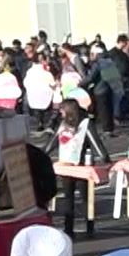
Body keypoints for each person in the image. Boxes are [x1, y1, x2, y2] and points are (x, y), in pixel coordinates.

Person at [49, 99, 112, 240]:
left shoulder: (82, 124)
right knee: (80, 197)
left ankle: (74, 228)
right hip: (72, 166)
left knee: (75, 197)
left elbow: (51, 145)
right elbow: (98, 146)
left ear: (68, 111)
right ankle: (82, 228)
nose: (61, 113)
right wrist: (106, 160)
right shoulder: (67, 125)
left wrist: (105, 160)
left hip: (78, 165)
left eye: (62, 110)